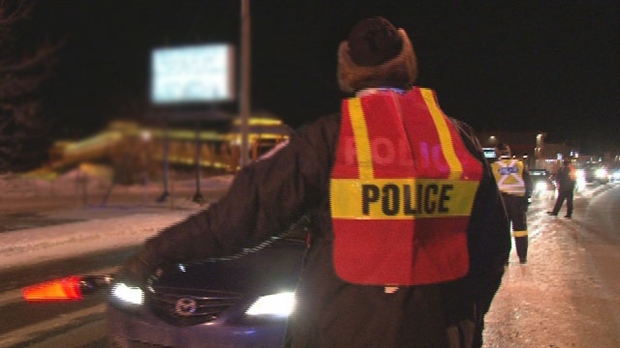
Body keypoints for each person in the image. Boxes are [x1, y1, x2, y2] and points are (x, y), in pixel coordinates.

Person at [117, 17, 510, 348]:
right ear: (406, 61)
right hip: (437, 329)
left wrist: (152, 256)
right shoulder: (455, 139)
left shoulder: (327, 139)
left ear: (349, 69)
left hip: (340, 329)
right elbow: (492, 244)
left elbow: (240, 216)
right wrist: (464, 313)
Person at [491, 143, 533, 264]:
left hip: (501, 202)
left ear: (497, 153)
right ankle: (522, 257)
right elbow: (528, 183)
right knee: (521, 230)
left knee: (503, 230)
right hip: (518, 202)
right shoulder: (519, 164)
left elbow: (489, 186)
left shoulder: (493, 166)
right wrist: (526, 199)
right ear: (509, 152)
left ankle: (504, 259)